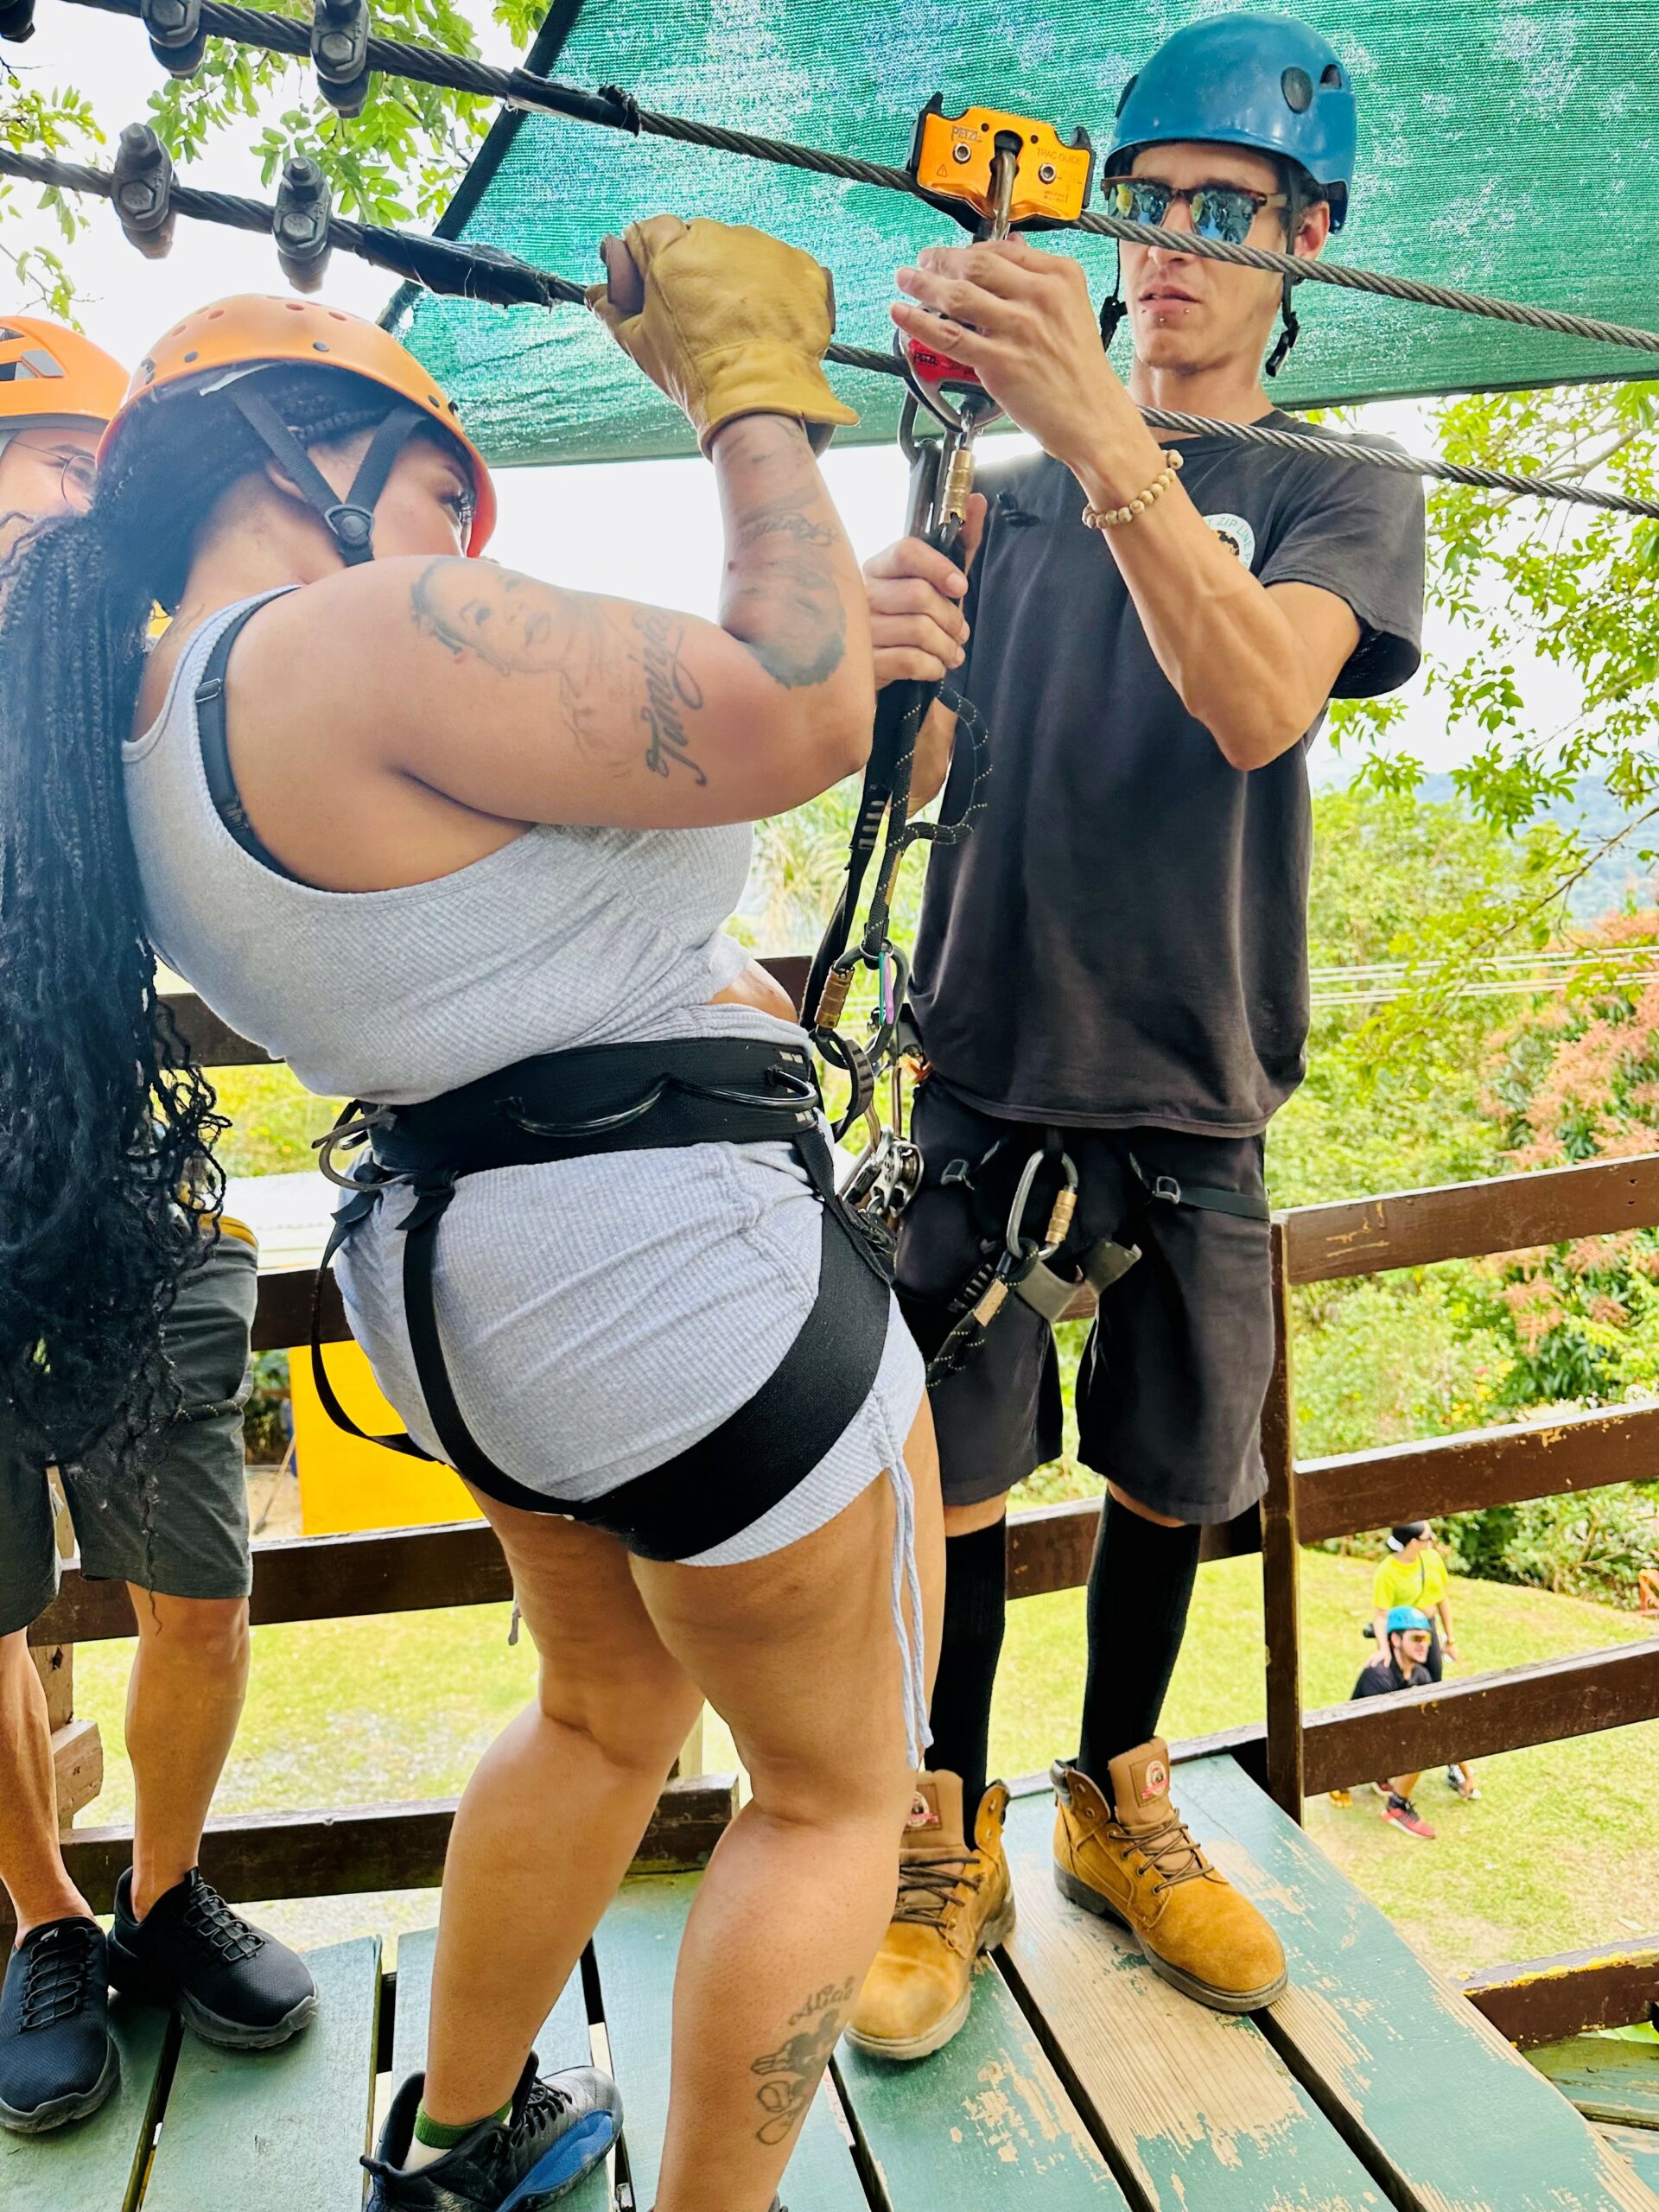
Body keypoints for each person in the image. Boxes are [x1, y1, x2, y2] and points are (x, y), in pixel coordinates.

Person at [0, 220, 941, 2212]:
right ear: (294, 456)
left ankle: (455, 2136)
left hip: (471, 1280)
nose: (461, 542)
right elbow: (787, 706)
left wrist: (835, 657)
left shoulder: (159, 733)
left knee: (602, 1706)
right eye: (443, 494)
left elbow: (531, 900)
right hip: (660, 1277)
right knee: (837, 1790)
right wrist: (749, 388)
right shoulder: (354, 634)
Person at [849, 10, 1427, 2058]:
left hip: (1195, 1071)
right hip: (983, 1056)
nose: (1171, 240)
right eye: (1146, 201)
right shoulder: (995, 484)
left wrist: (1099, 446)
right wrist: (877, 645)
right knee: (962, 1479)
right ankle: (942, 1826)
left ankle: (1112, 1790)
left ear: (1306, 243)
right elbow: (916, 774)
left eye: (1224, 210)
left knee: (1179, 1472)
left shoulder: (1339, 488)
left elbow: (1259, 698)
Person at [0, 315, 315, 2138]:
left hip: (141, 1214)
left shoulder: (152, 684)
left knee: (198, 1584)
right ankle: (43, 1916)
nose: (83, 513)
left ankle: (161, 1889)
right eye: (56, 469)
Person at [1372, 1521, 1476, 1797]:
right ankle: (1380, 1765)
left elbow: (1441, 1599)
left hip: (1427, 1632)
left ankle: (1452, 1765)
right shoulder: (1388, 1571)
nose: (1432, 1539)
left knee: (1434, 1698)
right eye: (1427, 1536)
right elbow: (1381, 1615)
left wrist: (1450, 1640)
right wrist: (1385, 1649)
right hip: (1402, 1638)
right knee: (1395, 1700)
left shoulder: (1431, 1559)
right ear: (1412, 1543)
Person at [1351, 1606, 1438, 1839]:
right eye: (1417, 1638)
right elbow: (1374, 1730)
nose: (1424, 1645)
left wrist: (1465, 1771)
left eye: (1427, 1638)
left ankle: (1382, 1780)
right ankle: (1397, 1806)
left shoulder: (1421, 1675)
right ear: (1395, 1639)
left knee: (1427, 1729)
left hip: (1381, 1746)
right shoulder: (1379, 1675)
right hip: (1357, 1752)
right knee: (1423, 1742)